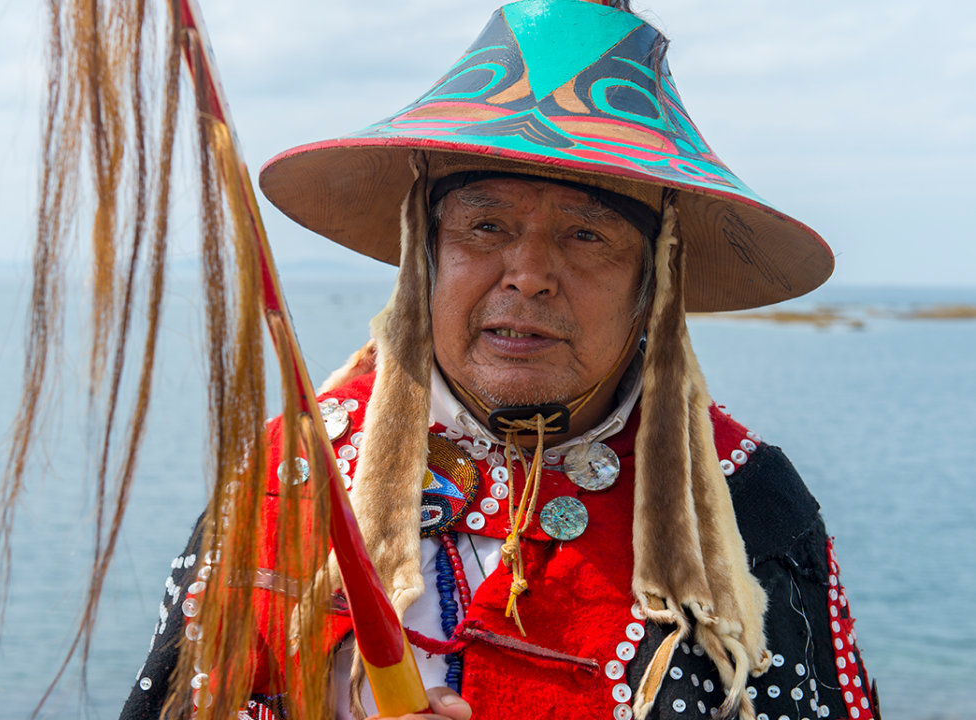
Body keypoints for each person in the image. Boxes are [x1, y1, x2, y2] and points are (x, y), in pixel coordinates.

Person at [121, 1, 878, 719]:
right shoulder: (298, 477)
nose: (528, 274)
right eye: (485, 226)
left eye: (587, 236)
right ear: (426, 260)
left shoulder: (742, 500)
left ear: (654, 286)